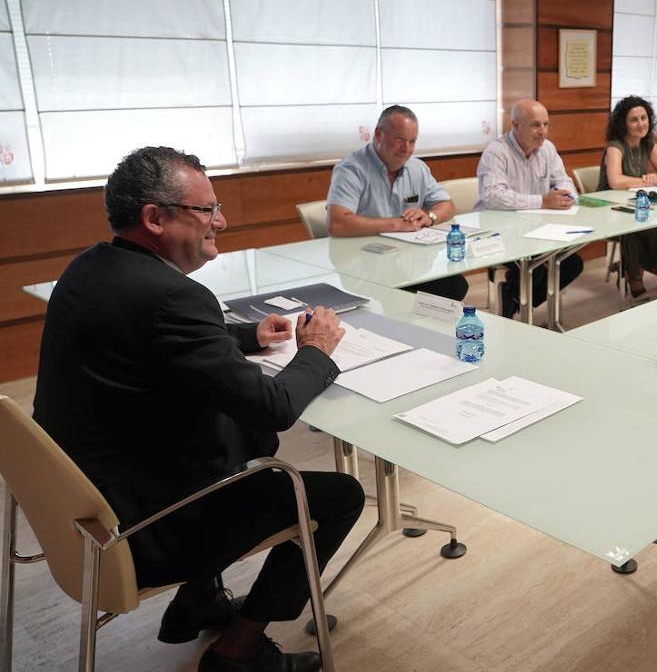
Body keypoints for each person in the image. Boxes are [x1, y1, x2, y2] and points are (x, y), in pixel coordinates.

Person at [33, 147, 365, 672]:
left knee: (233, 437)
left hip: (89, 503)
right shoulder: (175, 298)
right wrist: (316, 352)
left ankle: (197, 601)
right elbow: (274, 405)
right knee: (337, 494)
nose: (222, 221)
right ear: (155, 218)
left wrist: (245, 334)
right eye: (208, 210)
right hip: (147, 527)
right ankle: (240, 648)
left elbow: (149, 337)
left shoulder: (89, 268)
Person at [326, 104, 468, 301]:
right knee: (400, 300)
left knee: (455, 285)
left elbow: (447, 204)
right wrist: (395, 224)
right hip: (365, 269)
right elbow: (337, 223)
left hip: (405, 263)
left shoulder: (417, 168)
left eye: (412, 141)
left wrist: (429, 217)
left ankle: (419, 329)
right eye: (400, 140)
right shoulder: (351, 169)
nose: (406, 149)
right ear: (378, 134)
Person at [476, 99, 584, 318]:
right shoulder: (496, 152)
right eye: (536, 125)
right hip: (499, 233)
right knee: (533, 263)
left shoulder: (548, 149)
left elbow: (563, 180)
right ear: (515, 125)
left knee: (572, 263)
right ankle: (518, 304)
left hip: (539, 230)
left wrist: (566, 195)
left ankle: (514, 300)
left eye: (546, 124)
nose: (542, 131)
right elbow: (493, 197)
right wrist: (542, 201)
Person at [597, 95, 657, 296]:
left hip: (634, 201)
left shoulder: (648, 143)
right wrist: (650, 180)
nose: (641, 124)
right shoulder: (615, 146)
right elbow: (615, 182)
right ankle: (635, 277)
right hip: (608, 208)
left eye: (644, 118)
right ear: (623, 123)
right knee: (639, 226)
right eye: (634, 120)